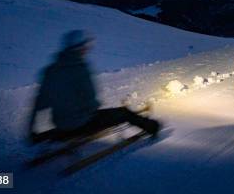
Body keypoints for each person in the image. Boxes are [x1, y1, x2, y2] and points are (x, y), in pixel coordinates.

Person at [27, 30, 160, 143]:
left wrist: (31, 129)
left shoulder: (51, 70)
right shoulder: (80, 69)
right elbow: (91, 102)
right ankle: (152, 127)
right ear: (80, 48)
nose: (87, 49)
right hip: (81, 125)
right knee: (122, 112)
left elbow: (40, 103)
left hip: (60, 124)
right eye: (86, 46)